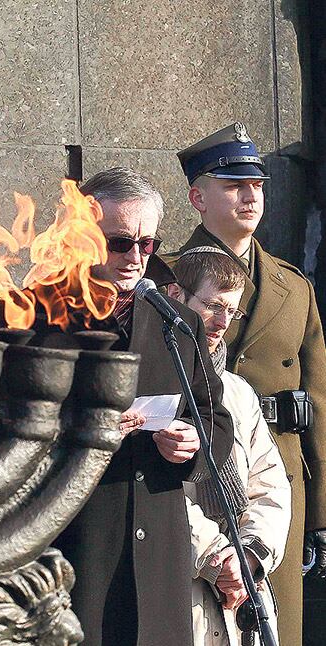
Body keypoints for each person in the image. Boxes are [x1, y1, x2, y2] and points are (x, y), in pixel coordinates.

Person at [0, 167, 234, 645]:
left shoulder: (177, 320)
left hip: (157, 553)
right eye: (121, 242)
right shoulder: (26, 312)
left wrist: (191, 441)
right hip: (70, 547)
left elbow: (214, 417)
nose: (136, 257)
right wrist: (89, 428)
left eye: (148, 244)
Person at [168, 122, 326, 646]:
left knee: (271, 626)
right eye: (233, 184)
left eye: (257, 184)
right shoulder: (164, 278)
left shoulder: (293, 285)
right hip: (191, 480)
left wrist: (321, 512)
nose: (250, 195)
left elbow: (318, 397)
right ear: (197, 196)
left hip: (273, 484)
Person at [167, 247, 291, 645]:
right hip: (181, 582)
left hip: (244, 588)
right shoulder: (150, 381)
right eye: (213, 306)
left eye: (232, 312)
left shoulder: (237, 392)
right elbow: (153, 491)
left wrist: (249, 555)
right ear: (176, 297)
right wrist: (218, 557)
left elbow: (270, 482)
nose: (223, 322)